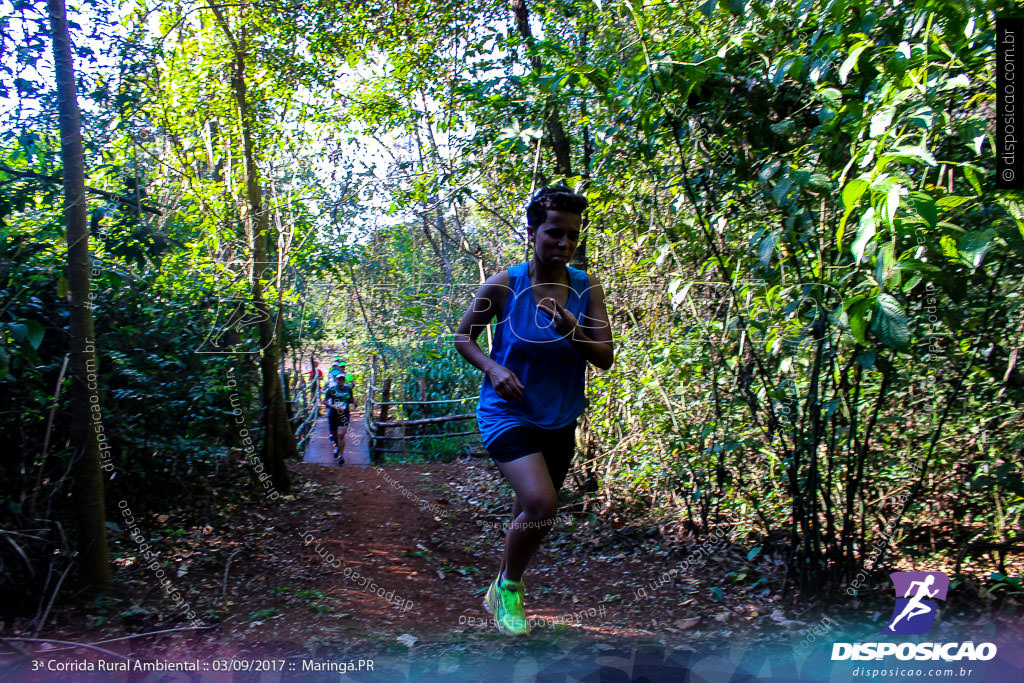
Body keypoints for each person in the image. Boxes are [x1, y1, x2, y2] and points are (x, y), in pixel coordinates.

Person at [453, 185, 613, 636]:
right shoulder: (504, 285)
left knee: (534, 511)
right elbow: (463, 336)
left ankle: (500, 586)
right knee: (543, 503)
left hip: (560, 417)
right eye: (554, 234)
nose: (563, 244)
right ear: (532, 232)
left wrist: (573, 329)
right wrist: (493, 367)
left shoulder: (586, 289)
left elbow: (604, 357)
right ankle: (509, 589)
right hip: (507, 411)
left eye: (572, 237)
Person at [322, 373, 352, 463]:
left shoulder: (348, 389)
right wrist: (333, 406)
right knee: (334, 435)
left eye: (342, 379)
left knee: (341, 434)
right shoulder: (332, 389)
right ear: (336, 380)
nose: (341, 381)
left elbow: (350, 399)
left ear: (344, 380)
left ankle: (341, 456)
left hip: (344, 413)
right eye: (339, 379)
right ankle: (337, 447)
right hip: (333, 413)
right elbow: (324, 401)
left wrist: (354, 401)